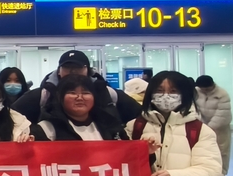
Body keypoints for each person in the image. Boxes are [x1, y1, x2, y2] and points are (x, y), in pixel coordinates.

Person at [11, 50, 140, 125]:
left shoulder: (107, 94)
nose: (72, 72)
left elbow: (140, 116)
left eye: (78, 68)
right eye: (67, 68)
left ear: (88, 70)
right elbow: (11, 117)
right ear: (59, 71)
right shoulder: (42, 96)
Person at [195, 75, 232, 174]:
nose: (204, 91)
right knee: (203, 150)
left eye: (207, 89)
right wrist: (200, 124)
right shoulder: (197, 92)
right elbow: (195, 109)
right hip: (203, 126)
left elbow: (222, 113)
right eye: (202, 89)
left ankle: (222, 173)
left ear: (212, 85)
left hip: (220, 129)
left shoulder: (222, 94)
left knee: (221, 151)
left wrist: (210, 127)